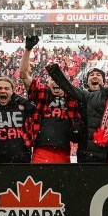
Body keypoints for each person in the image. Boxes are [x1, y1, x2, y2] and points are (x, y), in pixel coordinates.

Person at [19, 34, 83, 163]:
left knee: (61, 183)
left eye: (60, 80)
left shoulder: (72, 97)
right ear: (48, 82)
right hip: (41, 148)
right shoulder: (42, 92)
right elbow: (23, 75)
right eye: (53, 79)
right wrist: (28, 49)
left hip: (64, 150)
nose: (56, 82)